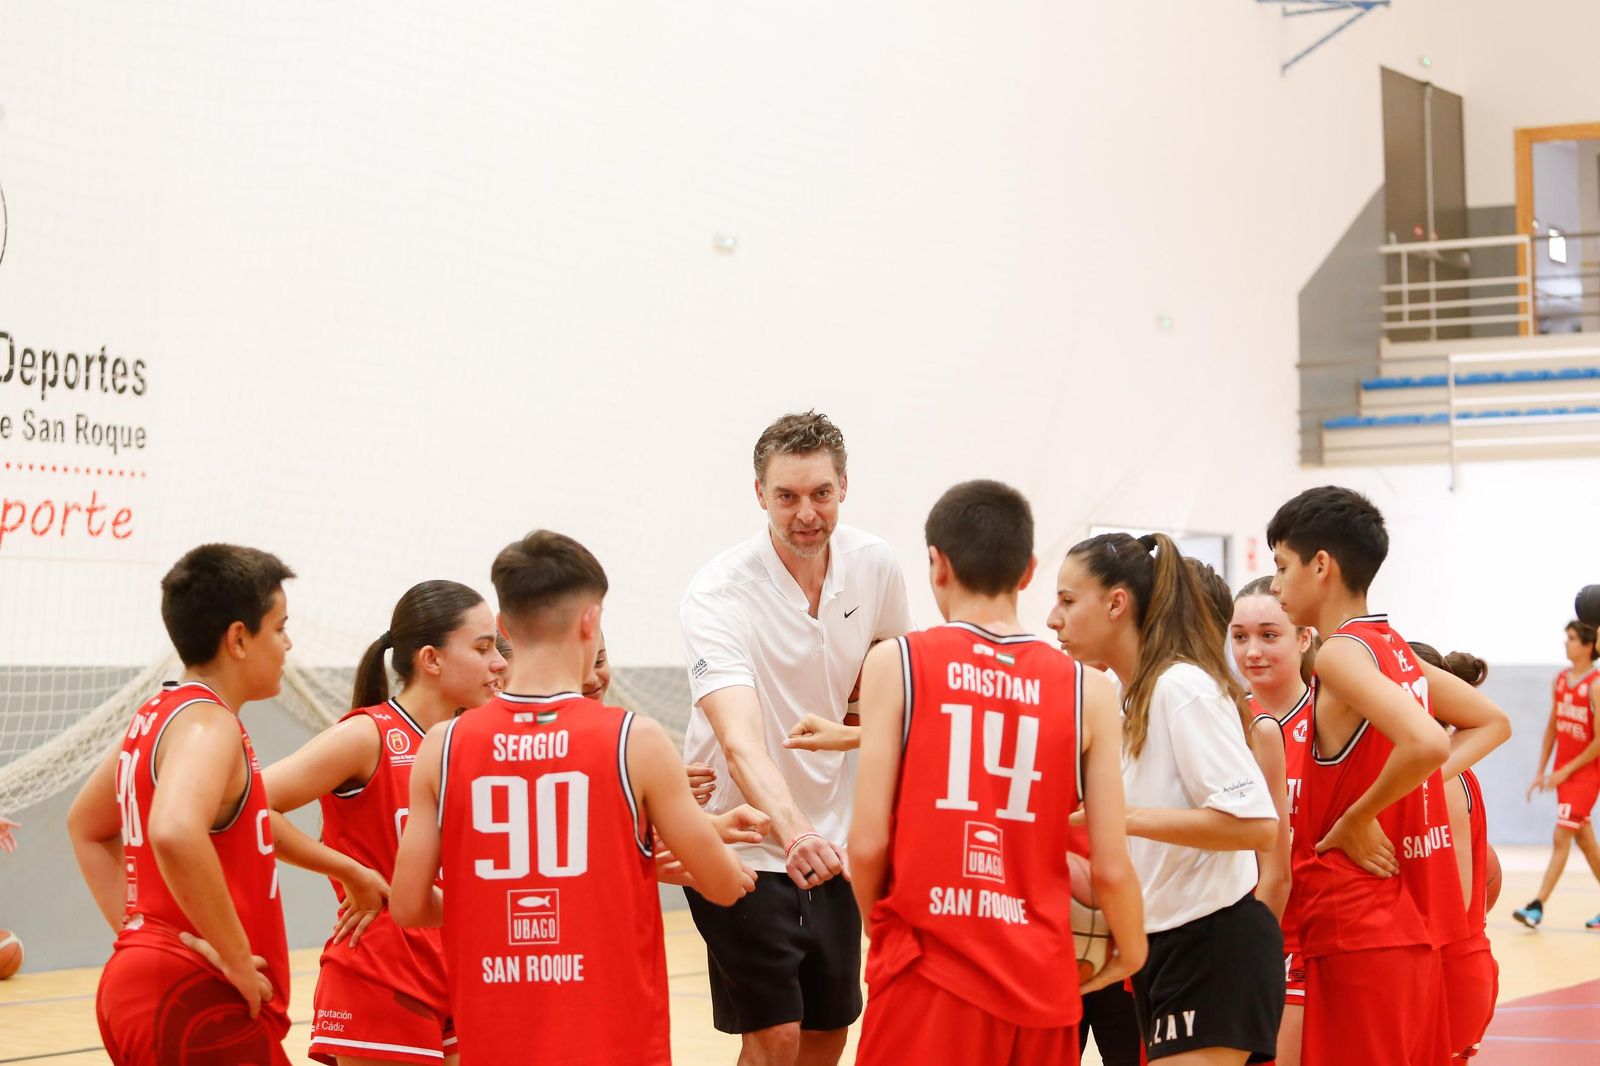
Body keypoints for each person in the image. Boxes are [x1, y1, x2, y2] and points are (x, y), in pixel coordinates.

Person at [390, 530, 755, 1065]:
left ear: (504, 626)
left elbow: (407, 905)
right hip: (614, 1043)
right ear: (591, 621)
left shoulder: (443, 746)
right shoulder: (635, 739)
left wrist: (490, 903)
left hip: (497, 1038)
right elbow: (723, 884)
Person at [850, 481, 1146, 1065]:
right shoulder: (1089, 691)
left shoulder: (896, 663)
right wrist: (1132, 951)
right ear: (1029, 571)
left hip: (925, 971)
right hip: (1040, 983)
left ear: (937, 564)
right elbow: (1111, 866)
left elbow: (866, 845)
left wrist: (881, 928)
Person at [678, 410, 913, 1065]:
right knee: (777, 1034)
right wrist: (794, 834)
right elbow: (739, 741)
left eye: (820, 494)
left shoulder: (874, 565)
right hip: (740, 841)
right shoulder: (718, 593)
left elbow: (893, 682)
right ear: (760, 494)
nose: (806, 514)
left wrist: (854, 732)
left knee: (827, 1033)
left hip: (832, 839)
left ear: (844, 487)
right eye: (786, 496)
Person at [1267, 485, 1509, 1066]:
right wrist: (1404, 790)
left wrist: (1359, 815)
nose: (1274, 585)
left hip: (1359, 927)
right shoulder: (1393, 647)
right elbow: (1491, 723)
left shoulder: (1339, 653)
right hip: (1400, 928)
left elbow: (1428, 741)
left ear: (1321, 565)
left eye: (1281, 566)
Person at [1049, 532, 1282, 1066]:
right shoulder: (1126, 695)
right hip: (1161, 946)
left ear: (1116, 604)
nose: (1053, 619)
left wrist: (1126, 818)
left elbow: (1257, 826)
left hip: (1214, 942)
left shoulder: (1182, 688)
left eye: (1067, 600)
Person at [66, 544, 295, 1065]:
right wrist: (235, 958)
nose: (288, 643)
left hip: (149, 982)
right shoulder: (208, 723)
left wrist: (144, 937)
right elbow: (173, 830)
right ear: (239, 639)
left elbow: (86, 826)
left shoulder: (158, 713)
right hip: (192, 997)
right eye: (280, 627)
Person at [264, 580, 506, 1066]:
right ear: (431, 659)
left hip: (459, 968)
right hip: (382, 972)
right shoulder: (367, 735)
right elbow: (253, 806)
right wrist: (350, 872)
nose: (499, 662)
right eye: (483, 649)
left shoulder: (469, 742)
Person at [1229, 577, 1312, 1066]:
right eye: (1240, 637)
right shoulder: (1222, 719)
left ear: (1303, 638)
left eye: (1269, 635)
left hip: (1310, 937)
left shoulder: (1334, 717)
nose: (1252, 651)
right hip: (1237, 931)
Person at [1409, 642, 1499, 1060]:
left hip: (1449, 967)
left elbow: (1457, 900)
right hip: (1454, 964)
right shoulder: (1444, 767)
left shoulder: (1440, 779)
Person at [1512, 620, 1600, 930]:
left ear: (1588, 645)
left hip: (1585, 775)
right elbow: (1553, 727)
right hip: (1563, 774)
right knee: (1586, 842)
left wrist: (1564, 771)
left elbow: (1599, 741)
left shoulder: (1596, 685)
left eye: (1572, 638)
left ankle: (1537, 906)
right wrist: (1541, 771)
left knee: (1561, 836)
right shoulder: (1560, 680)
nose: (1566, 642)